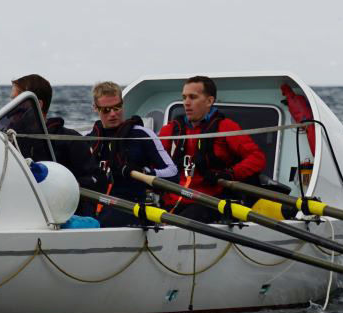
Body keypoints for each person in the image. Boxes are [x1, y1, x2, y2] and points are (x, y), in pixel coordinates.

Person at [158, 74, 266, 222]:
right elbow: (153, 162)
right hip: (171, 202)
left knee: (180, 222)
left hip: (208, 202)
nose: (186, 103)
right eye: (184, 97)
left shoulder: (226, 127)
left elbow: (257, 158)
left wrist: (230, 174)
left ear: (209, 101)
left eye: (193, 97)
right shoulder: (169, 131)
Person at [80, 81, 176, 227]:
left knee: (102, 222)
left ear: (122, 104)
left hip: (129, 206)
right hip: (95, 204)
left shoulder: (141, 135)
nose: (113, 114)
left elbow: (173, 173)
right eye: (106, 110)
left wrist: (145, 172)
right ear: (95, 108)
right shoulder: (88, 140)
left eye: (117, 107)